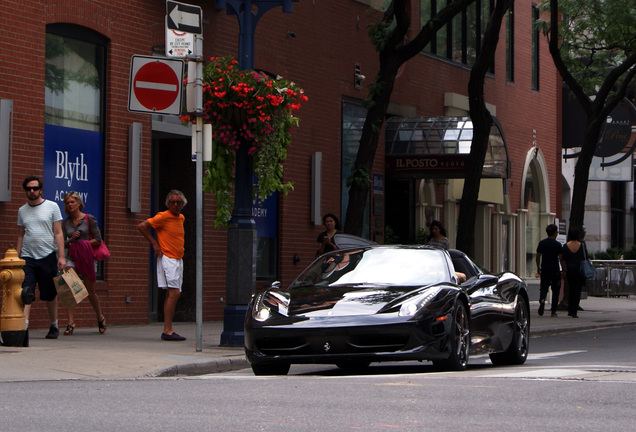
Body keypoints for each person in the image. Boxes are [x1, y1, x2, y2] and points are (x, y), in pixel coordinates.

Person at [16, 175, 66, 339]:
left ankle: (53, 325)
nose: (32, 191)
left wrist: (61, 256)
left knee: (49, 294)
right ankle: (23, 327)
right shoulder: (22, 211)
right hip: (28, 256)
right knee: (26, 291)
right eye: (29, 188)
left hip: (48, 255)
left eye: (35, 188)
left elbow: (58, 232)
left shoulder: (52, 207)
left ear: (40, 190)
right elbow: (21, 235)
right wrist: (17, 257)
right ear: (25, 191)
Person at [138, 190, 188, 341]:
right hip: (168, 258)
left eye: (178, 202)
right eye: (172, 202)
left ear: (182, 204)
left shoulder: (181, 218)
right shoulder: (163, 216)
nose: (175, 205)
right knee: (174, 293)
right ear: (168, 203)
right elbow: (142, 226)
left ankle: (168, 329)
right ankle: (167, 330)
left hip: (179, 258)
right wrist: (154, 244)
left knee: (173, 292)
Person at [61, 191, 106, 335]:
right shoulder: (65, 223)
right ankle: (70, 322)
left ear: (79, 203)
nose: (70, 205)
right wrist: (72, 240)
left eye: (72, 202)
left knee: (90, 291)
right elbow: (62, 243)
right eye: (67, 203)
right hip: (72, 257)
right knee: (70, 288)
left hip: (87, 257)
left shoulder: (88, 219)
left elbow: (98, 239)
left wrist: (84, 244)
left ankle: (100, 317)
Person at [535, 223, 563, 317]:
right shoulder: (558, 245)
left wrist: (538, 267)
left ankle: (542, 300)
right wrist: (563, 269)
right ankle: (553, 311)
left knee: (543, 288)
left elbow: (538, 256)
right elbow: (560, 258)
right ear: (555, 233)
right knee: (555, 290)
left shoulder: (542, 243)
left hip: (545, 269)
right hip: (555, 270)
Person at [560, 227, 586, 318]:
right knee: (577, 290)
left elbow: (562, 259)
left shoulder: (566, 246)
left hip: (569, 270)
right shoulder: (582, 245)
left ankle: (570, 310)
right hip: (579, 270)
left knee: (570, 289)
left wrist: (564, 270)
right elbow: (585, 258)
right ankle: (575, 310)